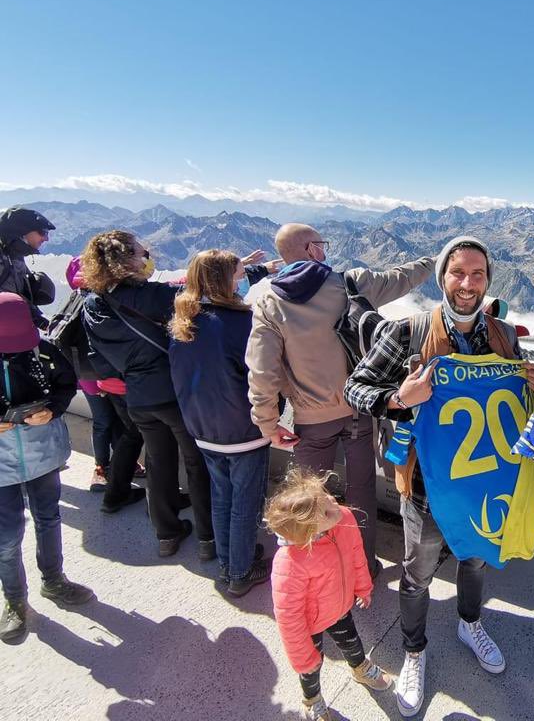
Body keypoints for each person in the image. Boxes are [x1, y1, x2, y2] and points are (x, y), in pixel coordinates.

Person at [345, 236, 534, 717]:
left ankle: (470, 623)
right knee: (418, 572)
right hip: (428, 486)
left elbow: (516, 397)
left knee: (475, 559)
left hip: (485, 481)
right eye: (458, 273)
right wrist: (396, 400)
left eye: (477, 275)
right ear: (442, 277)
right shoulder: (407, 332)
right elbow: (354, 388)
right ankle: (414, 651)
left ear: (488, 280)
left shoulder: (504, 337)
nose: (467, 284)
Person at [246, 222, 432, 571]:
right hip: (358, 411)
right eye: (321, 244)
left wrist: (267, 422)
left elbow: (262, 369)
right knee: (361, 489)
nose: (325, 250)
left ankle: (317, 571)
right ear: (312, 249)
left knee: (309, 497)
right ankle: (362, 565)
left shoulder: (268, 301)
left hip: (308, 419)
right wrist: (434, 261)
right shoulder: (348, 283)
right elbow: (398, 278)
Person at [80, 231, 274, 558]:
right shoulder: (148, 296)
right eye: (143, 253)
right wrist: (252, 271)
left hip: (136, 397)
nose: (148, 257)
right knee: (196, 462)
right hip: (173, 392)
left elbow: (98, 358)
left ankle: (167, 533)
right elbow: (204, 292)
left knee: (157, 461)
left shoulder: (92, 303)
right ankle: (208, 539)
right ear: (125, 259)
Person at [169, 250, 273, 596]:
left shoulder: (184, 321)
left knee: (222, 496)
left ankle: (229, 561)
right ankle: (241, 572)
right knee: (245, 502)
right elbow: (259, 376)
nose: (241, 279)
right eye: (239, 274)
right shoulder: (240, 323)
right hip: (242, 430)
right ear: (224, 280)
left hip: (203, 428)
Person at [0, 293, 94, 644]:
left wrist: (51, 410)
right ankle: (14, 600)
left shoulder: (42, 350)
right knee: (7, 536)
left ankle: (54, 580)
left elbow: (66, 385)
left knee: (48, 518)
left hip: (43, 454)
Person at [265, 471, 392, 721]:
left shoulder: (342, 519)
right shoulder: (289, 563)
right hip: (310, 625)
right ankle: (312, 699)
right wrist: (302, 658)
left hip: (340, 607)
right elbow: (289, 618)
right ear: (308, 532)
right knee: (312, 666)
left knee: (353, 643)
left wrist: (363, 587)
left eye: (326, 496)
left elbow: (357, 554)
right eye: (325, 511)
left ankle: (359, 668)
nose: (335, 504)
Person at [59, 256, 146, 495]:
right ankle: (102, 468)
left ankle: (114, 466)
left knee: (107, 421)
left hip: (89, 374)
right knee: (110, 422)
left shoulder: (78, 298)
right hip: (105, 374)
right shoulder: (96, 300)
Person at [0, 206, 56, 328]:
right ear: (22, 230)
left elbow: (19, 297)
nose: (46, 238)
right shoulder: (4, 257)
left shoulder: (14, 256)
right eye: (42, 232)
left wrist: (39, 320)